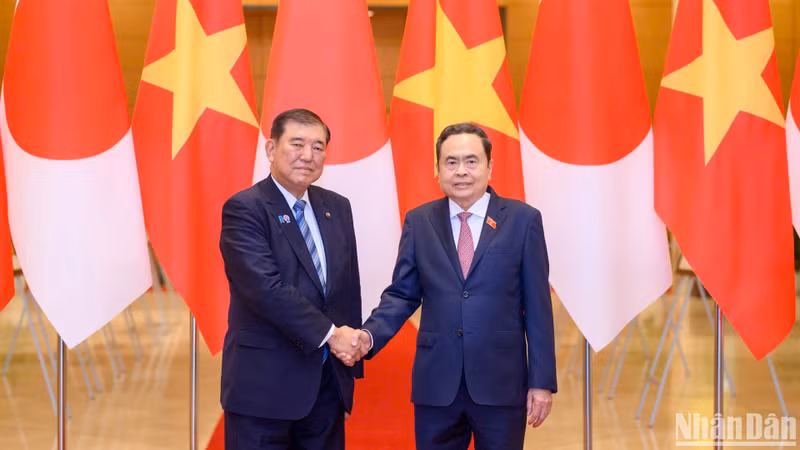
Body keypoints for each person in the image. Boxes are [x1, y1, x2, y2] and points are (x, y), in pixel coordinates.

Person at [343, 123, 557, 450]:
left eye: (471, 161)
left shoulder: (523, 220)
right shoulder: (420, 221)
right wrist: (368, 336)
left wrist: (541, 382)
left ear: (489, 166)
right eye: (451, 162)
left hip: (500, 383)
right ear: (437, 169)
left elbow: (538, 308)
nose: (461, 171)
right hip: (436, 385)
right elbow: (402, 293)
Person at [219, 108, 363, 450]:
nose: (308, 156)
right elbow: (265, 289)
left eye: (318, 146)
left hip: (325, 387)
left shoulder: (336, 206)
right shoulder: (245, 209)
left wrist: (346, 375)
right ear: (271, 149)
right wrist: (333, 336)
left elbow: (345, 290)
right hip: (263, 389)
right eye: (297, 144)